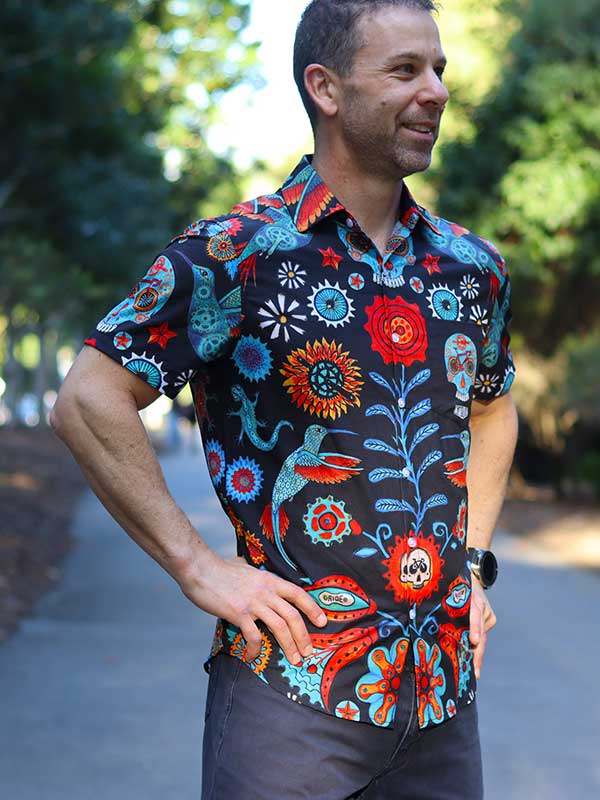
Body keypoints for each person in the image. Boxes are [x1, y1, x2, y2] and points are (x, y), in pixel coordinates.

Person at [51, 0, 519, 797]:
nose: (437, 91)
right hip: (290, 703)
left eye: (439, 69)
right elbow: (89, 398)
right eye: (405, 70)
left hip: (444, 704)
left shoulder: (472, 268)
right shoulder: (235, 254)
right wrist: (198, 566)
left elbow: (493, 404)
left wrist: (472, 562)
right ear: (325, 88)